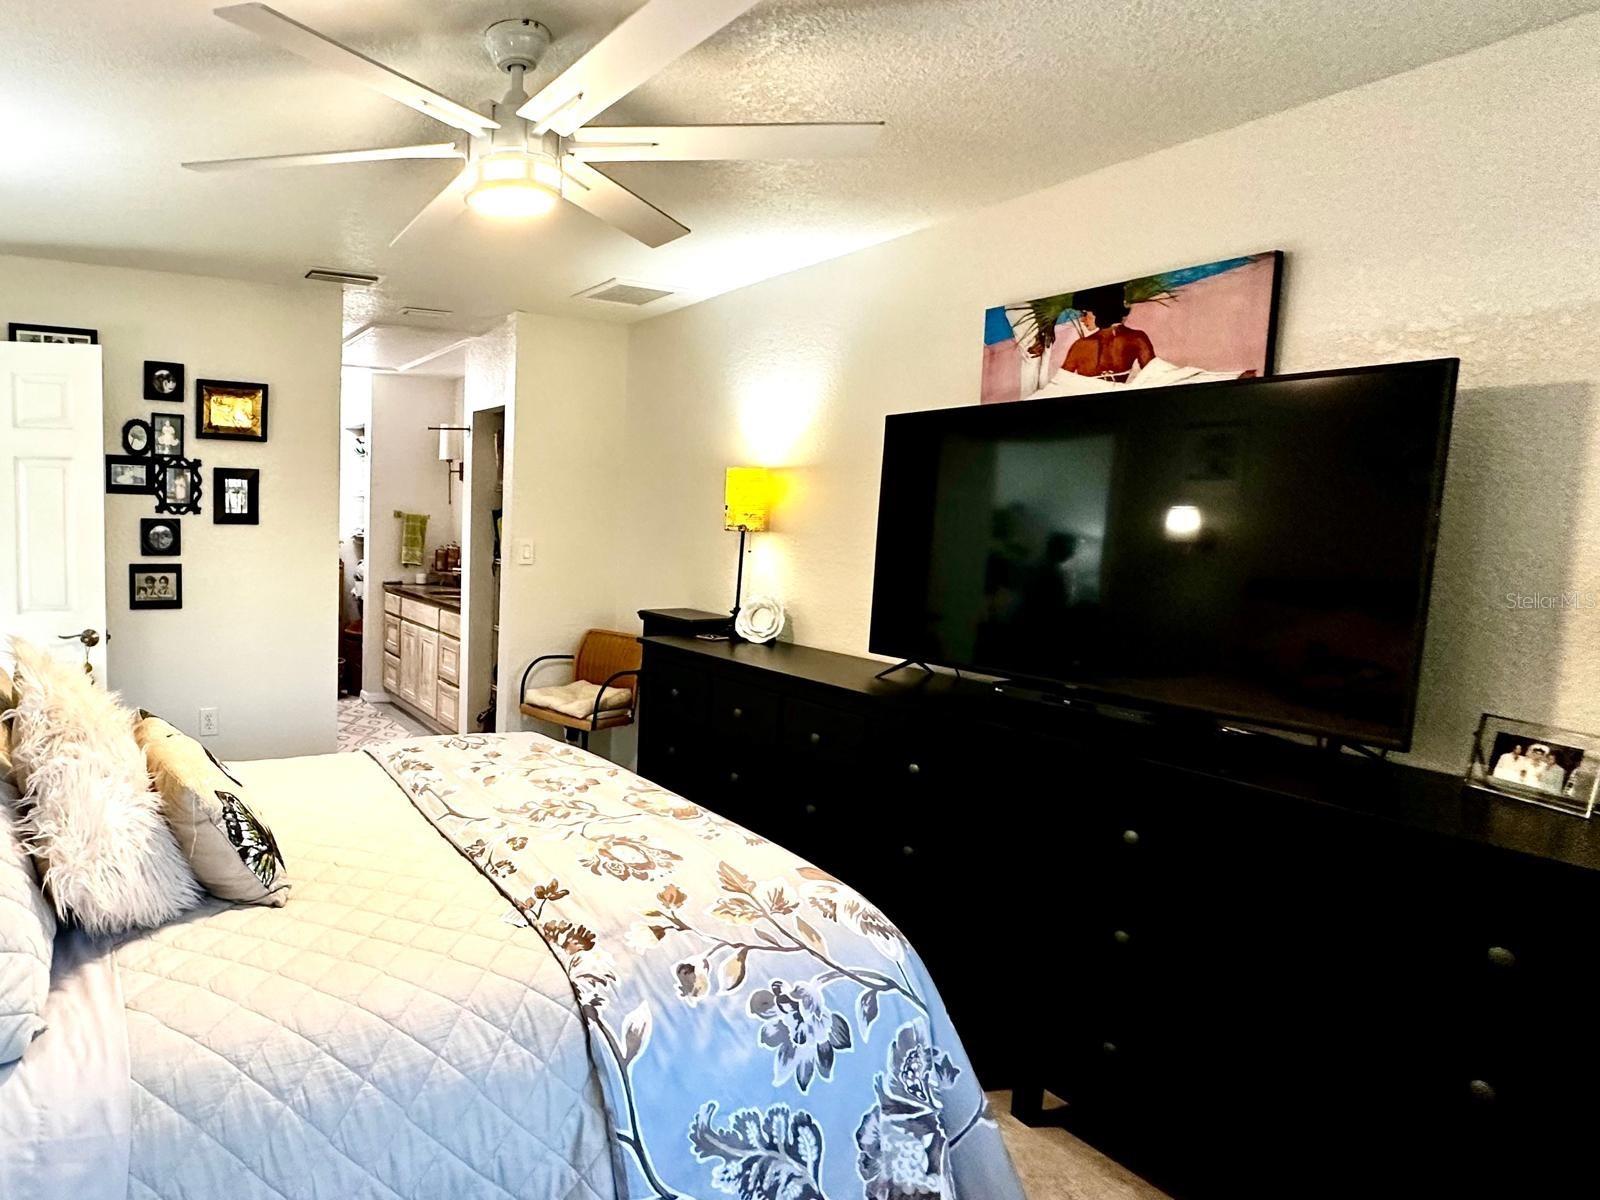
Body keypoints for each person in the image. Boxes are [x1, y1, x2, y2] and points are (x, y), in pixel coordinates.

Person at [1063, 283, 1155, 382]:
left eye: (1085, 313)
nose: (1082, 319)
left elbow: (1059, 384)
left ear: (1101, 311)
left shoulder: (1080, 345)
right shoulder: (1137, 338)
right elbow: (1156, 376)